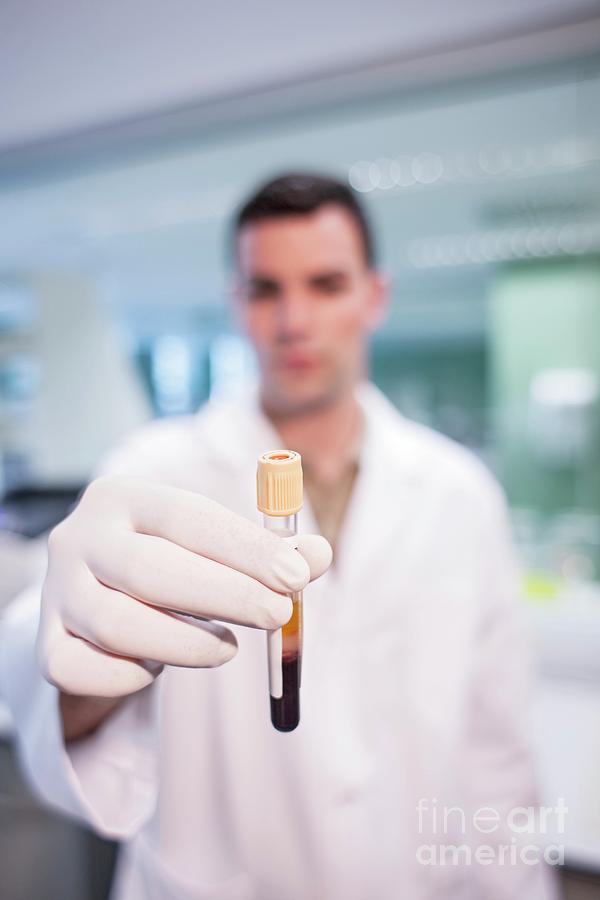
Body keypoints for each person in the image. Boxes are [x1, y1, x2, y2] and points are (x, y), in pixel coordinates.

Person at [0, 173, 556, 899]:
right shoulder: (153, 474)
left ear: (374, 296)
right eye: (266, 289)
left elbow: (498, 754)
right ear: (238, 304)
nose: (294, 318)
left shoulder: (459, 495)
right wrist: (71, 650)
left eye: (325, 284)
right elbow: (53, 684)